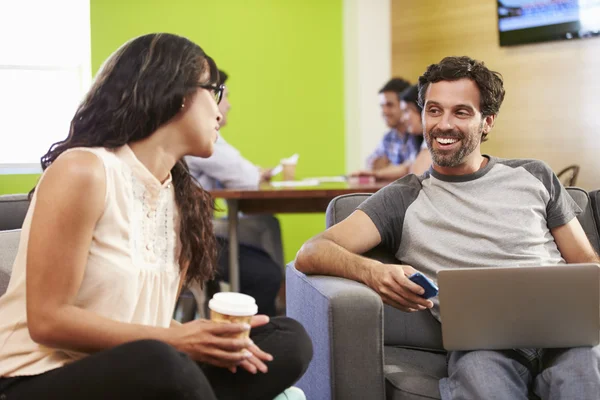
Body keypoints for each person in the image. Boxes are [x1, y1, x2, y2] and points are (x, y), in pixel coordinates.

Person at [0, 33, 312, 400]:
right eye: (213, 91)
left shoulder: (184, 200)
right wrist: (177, 337)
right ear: (177, 94)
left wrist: (209, 341)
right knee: (164, 363)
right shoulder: (83, 171)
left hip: (138, 369)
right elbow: (47, 321)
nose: (219, 110)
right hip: (38, 376)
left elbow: (149, 324)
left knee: (289, 341)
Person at [295, 55, 600, 399]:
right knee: (486, 388)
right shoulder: (402, 198)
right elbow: (311, 252)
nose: (443, 124)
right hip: (484, 346)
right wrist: (371, 272)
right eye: (434, 110)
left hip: (565, 335)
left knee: (587, 379)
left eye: (461, 112)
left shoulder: (535, 175)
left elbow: (586, 261)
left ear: (488, 122)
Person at [185, 69, 283, 317]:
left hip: (201, 233)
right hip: (199, 237)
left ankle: (277, 297)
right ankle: (261, 325)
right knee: (265, 272)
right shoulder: (201, 136)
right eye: (222, 96)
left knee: (267, 228)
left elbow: (242, 171)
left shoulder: (209, 136)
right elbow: (245, 177)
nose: (226, 106)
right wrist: (254, 174)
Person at [357, 77, 422, 179]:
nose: (384, 111)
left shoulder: (418, 134)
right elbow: (373, 164)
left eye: (389, 105)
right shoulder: (389, 137)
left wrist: (389, 168)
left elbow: (411, 168)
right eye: (382, 106)